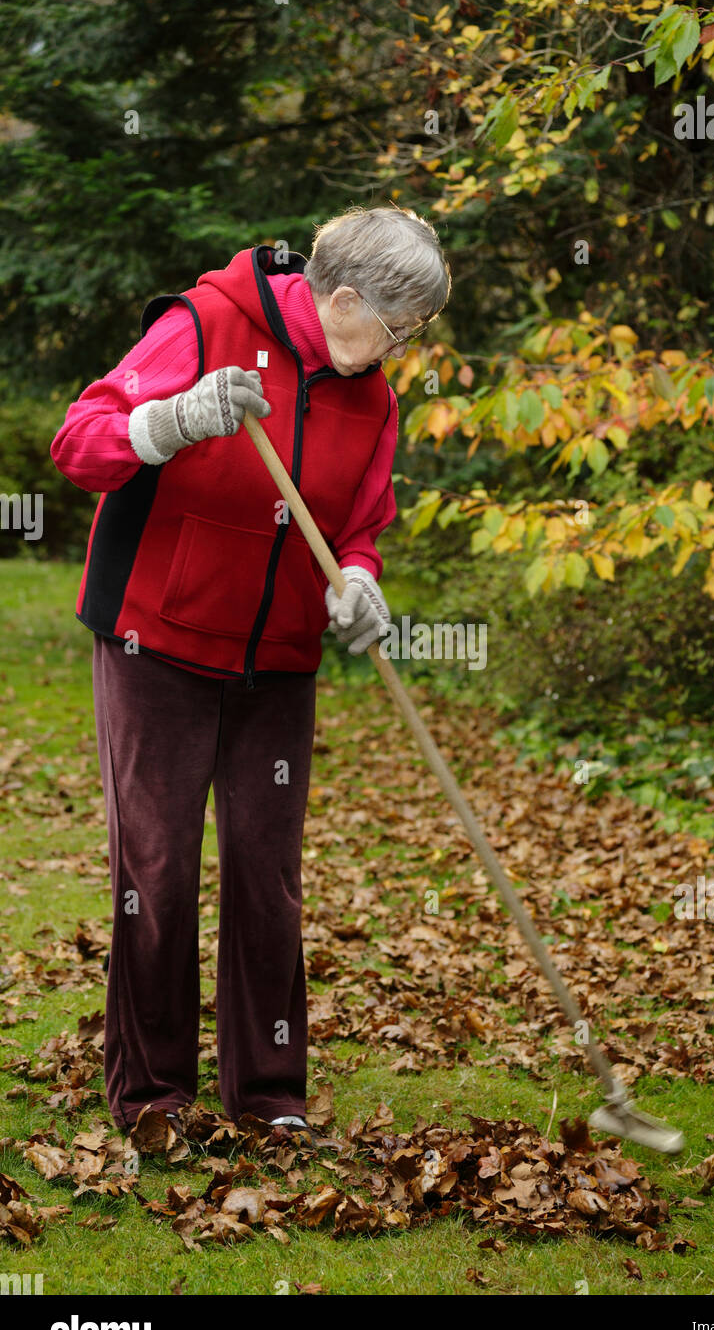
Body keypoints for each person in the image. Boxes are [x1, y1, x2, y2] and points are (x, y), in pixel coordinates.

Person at [50, 205, 451, 1142]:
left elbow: (361, 518)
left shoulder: (372, 394)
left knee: (267, 875)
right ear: (345, 297)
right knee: (156, 868)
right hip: (158, 642)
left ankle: (269, 1098)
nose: (403, 348)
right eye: (399, 327)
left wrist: (357, 579)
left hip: (276, 658)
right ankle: (152, 1097)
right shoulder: (202, 324)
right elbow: (82, 444)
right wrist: (173, 421)